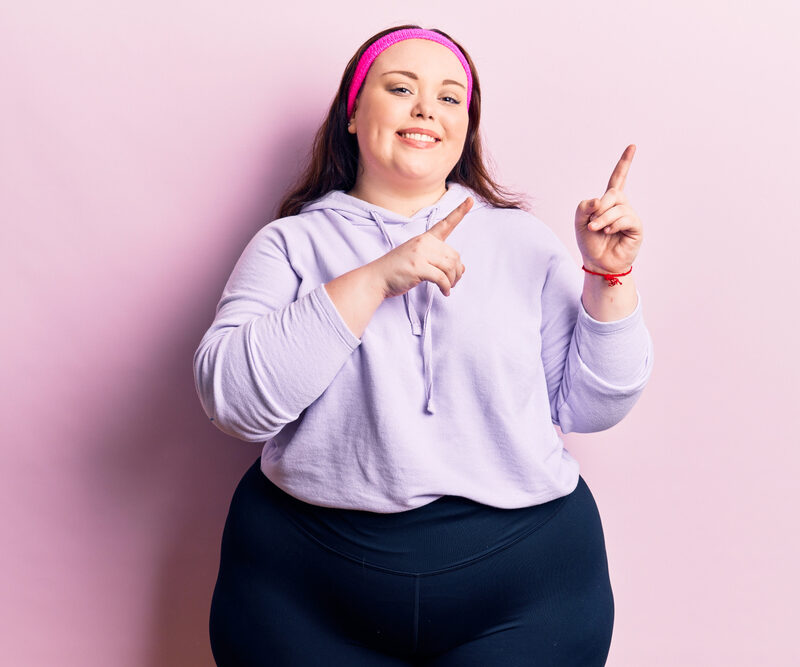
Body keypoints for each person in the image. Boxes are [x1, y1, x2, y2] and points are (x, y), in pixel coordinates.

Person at [193, 24, 653, 667]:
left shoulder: (524, 242)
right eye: (401, 88)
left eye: (449, 97)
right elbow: (233, 403)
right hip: (305, 584)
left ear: (466, 126)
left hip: (525, 586)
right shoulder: (289, 244)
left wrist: (608, 276)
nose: (426, 110)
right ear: (353, 113)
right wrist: (373, 280)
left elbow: (592, 408)